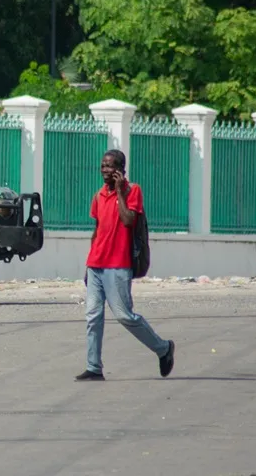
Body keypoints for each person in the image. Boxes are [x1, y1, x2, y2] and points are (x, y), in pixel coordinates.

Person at [75, 149, 175, 381]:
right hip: (96, 264)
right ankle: (94, 367)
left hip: (118, 265)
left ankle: (163, 349)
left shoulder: (133, 190)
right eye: (103, 166)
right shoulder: (98, 195)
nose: (105, 170)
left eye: (110, 166)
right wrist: (88, 265)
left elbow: (129, 220)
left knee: (124, 315)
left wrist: (120, 192)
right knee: (92, 316)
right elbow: (97, 230)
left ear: (121, 169)